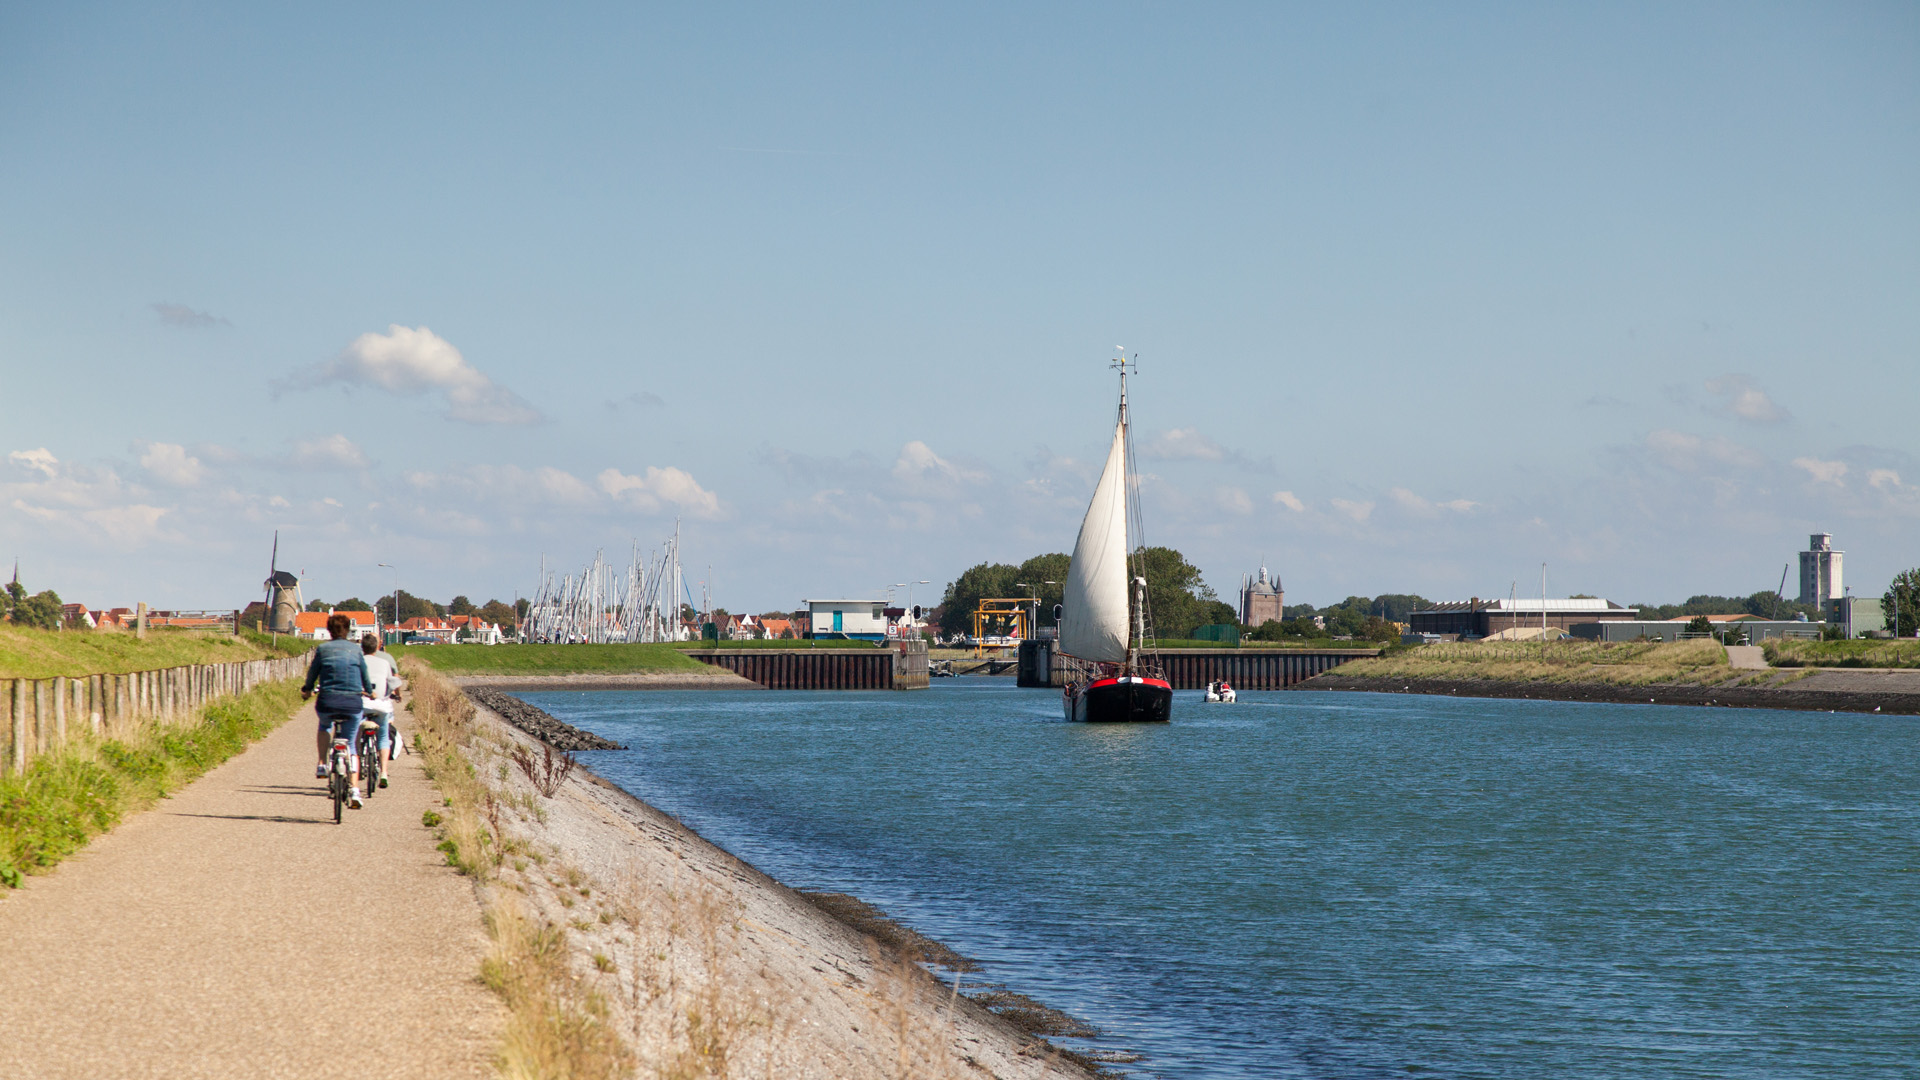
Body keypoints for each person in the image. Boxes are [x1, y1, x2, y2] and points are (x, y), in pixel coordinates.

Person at [302, 613, 375, 809]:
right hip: (352, 703)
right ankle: (354, 790)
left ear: (329, 631)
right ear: (348, 630)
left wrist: (307, 689)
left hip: (327, 700)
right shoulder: (355, 650)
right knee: (351, 743)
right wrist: (369, 691)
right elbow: (364, 675)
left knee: (325, 725)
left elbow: (313, 673)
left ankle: (322, 763)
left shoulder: (323, 649)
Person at [359, 636, 403, 787]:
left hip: (363, 704)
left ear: (362, 647)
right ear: (377, 647)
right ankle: (384, 772)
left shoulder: (358, 661)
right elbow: (393, 681)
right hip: (382, 706)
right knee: (383, 736)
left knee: (355, 733)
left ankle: (356, 765)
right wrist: (397, 694)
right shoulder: (385, 662)